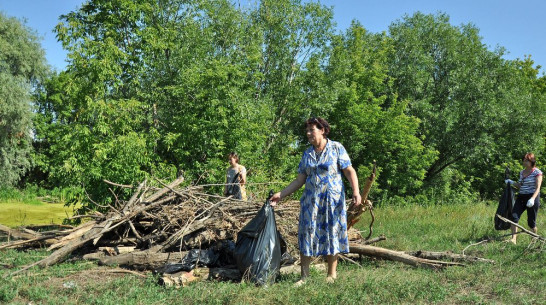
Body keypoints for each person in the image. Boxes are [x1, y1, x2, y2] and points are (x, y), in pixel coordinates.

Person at [270, 117, 361, 285]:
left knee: (332, 234)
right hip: (310, 203)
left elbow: (349, 171)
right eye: (307, 130)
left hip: (332, 202)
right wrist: (280, 194)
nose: (308, 133)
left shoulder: (336, 148)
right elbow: (299, 180)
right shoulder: (307, 154)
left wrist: (356, 191)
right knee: (306, 234)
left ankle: (331, 275)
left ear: (323, 130)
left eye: (312, 130)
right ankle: (304, 276)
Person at [505, 153, 542, 244]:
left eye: (526, 160)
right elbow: (520, 185)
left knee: (531, 223)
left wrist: (532, 199)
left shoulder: (537, 172)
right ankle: (513, 239)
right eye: (524, 160)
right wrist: (511, 182)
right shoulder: (522, 172)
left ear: (531, 161)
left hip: (532, 198)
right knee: (514, 217)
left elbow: (538, 188)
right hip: (521, 197)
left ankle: (534, 238)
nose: (524, 162)